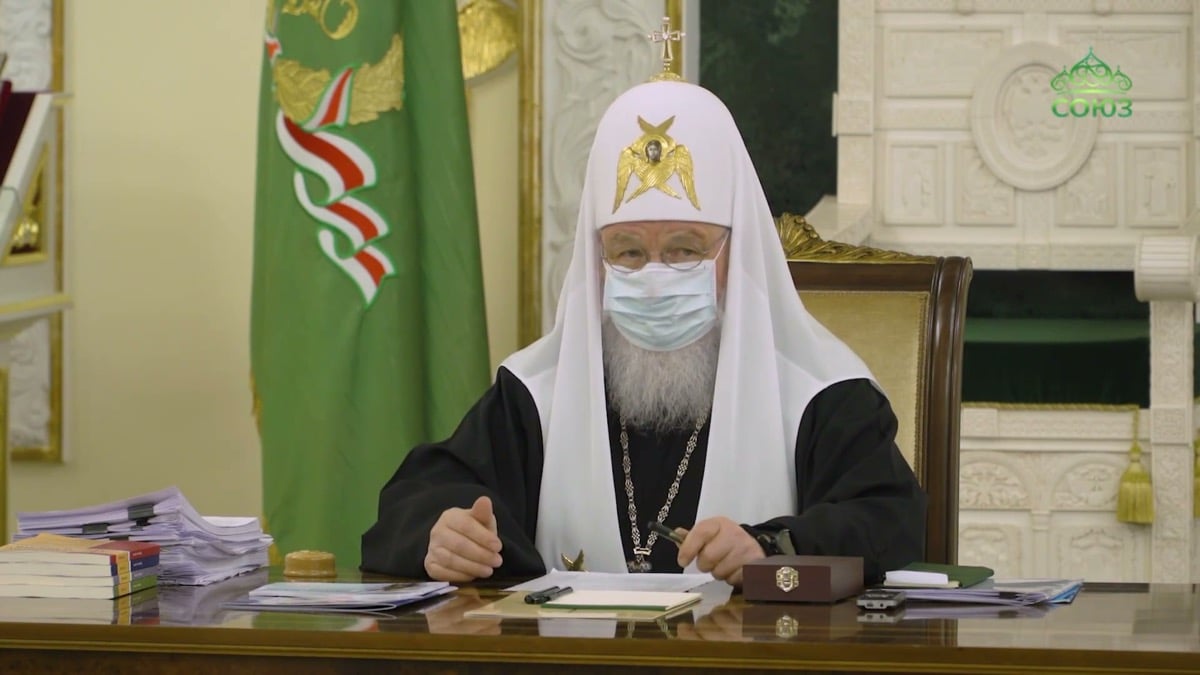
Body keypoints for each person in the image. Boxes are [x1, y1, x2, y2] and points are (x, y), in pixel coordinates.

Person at [361, 74, 925, 587]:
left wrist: (773, 545)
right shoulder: (537, 394)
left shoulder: (817, 394)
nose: (654, 275)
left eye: (685, 249)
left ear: (738, 252)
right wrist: (443, 535)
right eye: (627, 252)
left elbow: (888, 519)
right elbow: (419, 496)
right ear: (594, 259)